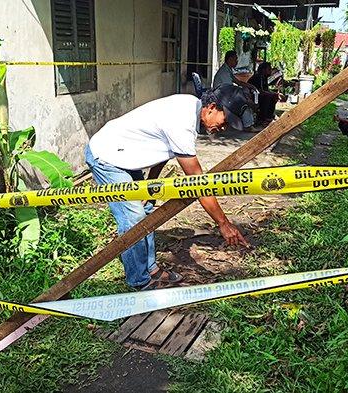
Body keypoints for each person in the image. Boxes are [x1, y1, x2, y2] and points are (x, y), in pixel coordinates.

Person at [85, 85, 251, 291]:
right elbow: (198, 184)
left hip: (125, 155)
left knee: (146, 210)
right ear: (211, 107)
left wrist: (151, 187)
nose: (224, 127)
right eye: (225, 120)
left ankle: (151, 269)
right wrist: (223, 223)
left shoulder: (190, 107)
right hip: (107, 155)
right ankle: (139, 281)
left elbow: (164, 150)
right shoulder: (182, 122)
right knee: (134, 219)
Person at [247, 62, 283, 126]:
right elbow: (260, 90)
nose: (270, 70)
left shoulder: (264, 77)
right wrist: (272, 94)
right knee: (268, 97)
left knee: (273, 96)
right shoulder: (258, 77)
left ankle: (269, 116)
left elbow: (266, 89)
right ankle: (263, 118)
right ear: (263, 70)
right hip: (252, 95)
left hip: (258, 94)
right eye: (269, 69)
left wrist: (275, 94)